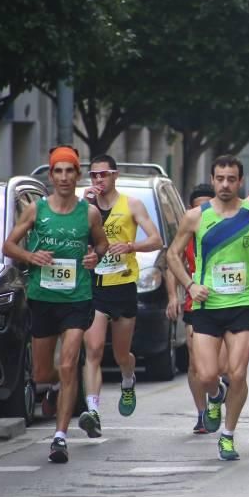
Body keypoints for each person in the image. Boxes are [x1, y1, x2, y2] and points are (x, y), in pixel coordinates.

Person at [167, 155, 249, 462]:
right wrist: (190, 286)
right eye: (220, 179)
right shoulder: (195, 217)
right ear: (213, 179)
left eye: (231, 179)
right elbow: (173, 255)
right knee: (206, 375)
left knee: (238, 373)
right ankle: (215, 396)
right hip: (206, 305)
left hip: (241, 304)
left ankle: (228, 436)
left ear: (240, 181)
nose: (225, 184)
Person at [2, 146, 109, 463]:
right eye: (58, 171)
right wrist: (30, 256)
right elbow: (8, 245)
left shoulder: (88, 213)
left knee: (68, 364)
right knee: (44, 371)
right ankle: (53, 389)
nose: (64, 177)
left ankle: (60, 437)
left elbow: (101, 243)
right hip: (42, 296)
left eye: (70, 171)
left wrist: (95, 256)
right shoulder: (37, 209)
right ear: (51, 176)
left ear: (77, 176)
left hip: (76, 297)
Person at [77, 155, 163, 439]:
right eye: (94, 176)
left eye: (103, 175)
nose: (98, 180)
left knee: (121, 354)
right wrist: (84, 206)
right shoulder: (84, 207)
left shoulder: (132, 205)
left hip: (123, 285)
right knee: (94, 349)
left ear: (115, 176)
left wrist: (130, 245)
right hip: (95, 286)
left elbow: (156, 240)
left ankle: (128, 379)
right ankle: (93, 411)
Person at [165, 183, 230, 434]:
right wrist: (173, 296)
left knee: (221, 366)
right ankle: (202, 413)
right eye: (197, 207)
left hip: (226, 301)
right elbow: (173, 263)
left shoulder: (227, 229)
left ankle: (218, 391)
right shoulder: (188, 232)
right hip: (197, 303)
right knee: (196, 364)